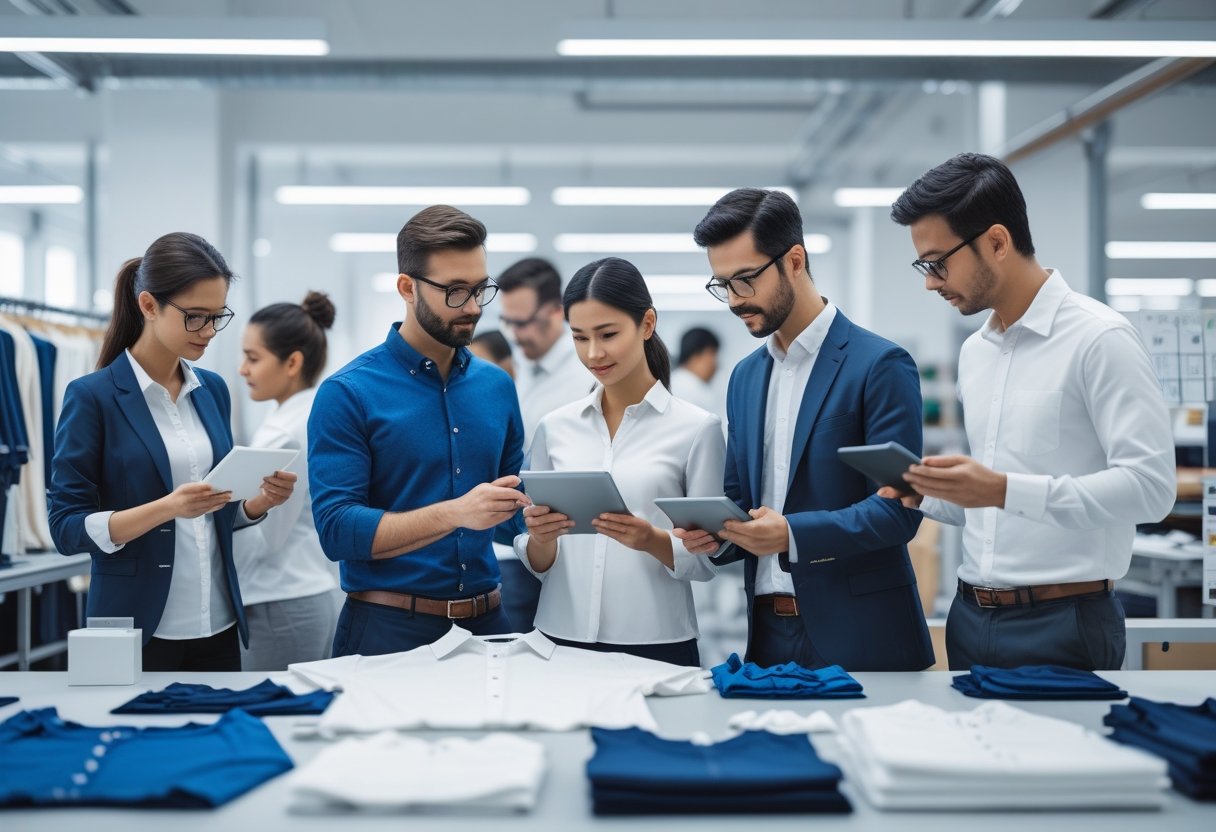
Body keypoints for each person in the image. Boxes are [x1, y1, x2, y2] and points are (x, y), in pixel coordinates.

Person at [887, 153, 1175, 671]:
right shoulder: (977, 352)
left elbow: (1151, 488)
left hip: (1065, 623)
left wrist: (1000, 488)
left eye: (938, 263)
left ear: (997, 242)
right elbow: (998, 507)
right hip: (971, 618)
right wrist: (929, 495)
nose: (930, 283)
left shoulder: (1099, 338)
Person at [676, 188, 934, 672]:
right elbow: (740, 499)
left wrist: (790, 534)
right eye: (722, 284)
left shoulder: (879, 365)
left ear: (794, 260)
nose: (734, 300)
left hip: (861, 636)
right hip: (767, 635)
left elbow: (899, 511)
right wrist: (719, 534)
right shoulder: (745, 378)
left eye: (745, 280)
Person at [49, 232, 296, 672]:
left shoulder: (213, 390)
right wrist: (166, 508)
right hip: (136, 628)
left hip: (217, 622)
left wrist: (256, 504)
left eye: (217, 317)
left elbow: (211, 512)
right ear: (148, 306)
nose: (208, 332)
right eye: (195, 317)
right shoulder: (93, 397)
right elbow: (66, 529)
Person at [309, 205, 529, 657]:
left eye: (479, 289)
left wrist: (548, 519)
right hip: (388, 632)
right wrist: (455, 513)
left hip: (490, 627)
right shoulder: (348, 393)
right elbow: (337, 531)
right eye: (453, 291)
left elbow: (508, 522)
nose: (471, 307)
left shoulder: (497, 387)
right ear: (407, 288)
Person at [517, 257, 724, 667]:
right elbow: (542, 564)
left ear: (647, 324)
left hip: (658, 645)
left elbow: (705, 559)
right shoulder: (554, 428)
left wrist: (651, 539)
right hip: (558, 642)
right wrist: (541, 538)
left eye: (608, 334)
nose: (593, 353)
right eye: (579, 337)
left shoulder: (697, 428)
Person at [235, 291, 343, 670]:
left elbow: (267, 536)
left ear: (292, 361)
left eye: (253, 358)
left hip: (280, 600)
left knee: (276, 718)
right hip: (303, 591)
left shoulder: (286, 434)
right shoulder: (308, 414)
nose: (242, 370)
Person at [495, 257, 593, 632]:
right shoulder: (518, 371)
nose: (515, 334)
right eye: (508, 322)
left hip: (572, 548)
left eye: (522, 323)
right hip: (520, 543)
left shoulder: (587, 374)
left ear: (556, 311)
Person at [670, 327, 721, 415]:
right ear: (696, 356)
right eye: (712, 354)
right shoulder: (690, 389)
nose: (715, 365)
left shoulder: (673, 382)